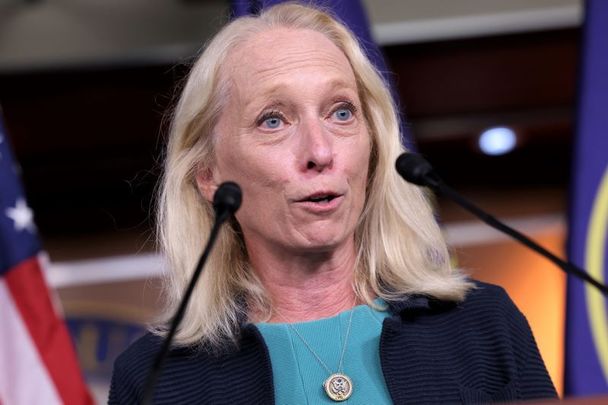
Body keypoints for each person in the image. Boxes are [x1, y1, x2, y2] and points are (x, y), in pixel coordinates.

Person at [109, 3, 558, 404]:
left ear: (374, 146)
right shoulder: (156, 379)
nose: (319, 151)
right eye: (273, 120)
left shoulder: (483, 326)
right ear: (209, 176)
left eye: (340, 112)